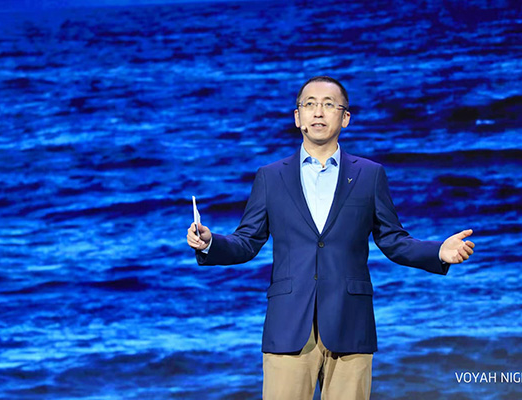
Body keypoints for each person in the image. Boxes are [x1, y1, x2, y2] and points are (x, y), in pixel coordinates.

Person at [186, 76, 475, 400]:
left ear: (345, 117)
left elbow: (393, 240)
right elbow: (247, 241)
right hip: (288, 325)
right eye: (309, 104)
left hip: (351, 324)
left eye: (328, 104)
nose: (318, 112)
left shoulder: (369, 175)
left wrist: (438, 252)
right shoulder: (270, 177)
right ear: (297, 117)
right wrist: (210, 242)